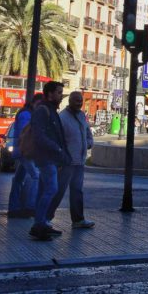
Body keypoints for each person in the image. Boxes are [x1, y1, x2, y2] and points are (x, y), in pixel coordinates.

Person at [29, 81, 70, 241]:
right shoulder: (43, 110)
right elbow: (39, 136)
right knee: (51, 189)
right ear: (50, 93)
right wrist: (57, 149)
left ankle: (40, 223)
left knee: (43, 190)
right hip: (46, 157)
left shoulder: (51, 110)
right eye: (59, 93)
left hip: (51, 157)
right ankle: (39, 224)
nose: (61, 96)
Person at [48, 91, 95, 229]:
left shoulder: (82, 116)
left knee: (77, 191)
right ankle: (46, 219)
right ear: (70, 101)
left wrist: (89, 143)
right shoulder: (62, 117)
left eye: (81, 101)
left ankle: (78, 220)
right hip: (67, 162)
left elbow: (87, 133)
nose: (79, 103)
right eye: (76, 101)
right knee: (59, 191)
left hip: (79, 161)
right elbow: (57, 139)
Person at [7, 93, 40, 219]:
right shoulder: (26, 115)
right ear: (34, 103)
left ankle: (15, 207)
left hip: (21, 151)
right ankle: (29, 206)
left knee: (18, 179)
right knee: (35, 175)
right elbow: (24, 134)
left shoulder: (26, 113)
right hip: (24, 151)